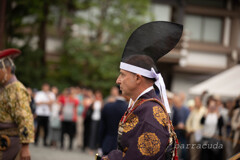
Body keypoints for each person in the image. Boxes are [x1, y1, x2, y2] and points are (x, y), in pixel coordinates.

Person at [101, 21, 183, 160]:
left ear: (138, 78)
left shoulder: (149, 112)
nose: (118, 80)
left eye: (123, 74)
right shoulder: (143, 106)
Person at [0, 48, 34, 160]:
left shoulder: (17, 89)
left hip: (11, 141)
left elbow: (25, 118)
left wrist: (25, 147)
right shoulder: (2, 88)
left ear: (7, 69)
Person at [99, 86, 128, 155]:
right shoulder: (128, 108)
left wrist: (100, 145)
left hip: (107, 143)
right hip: (121, 146)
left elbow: (102, 127)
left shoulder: (108, 106)